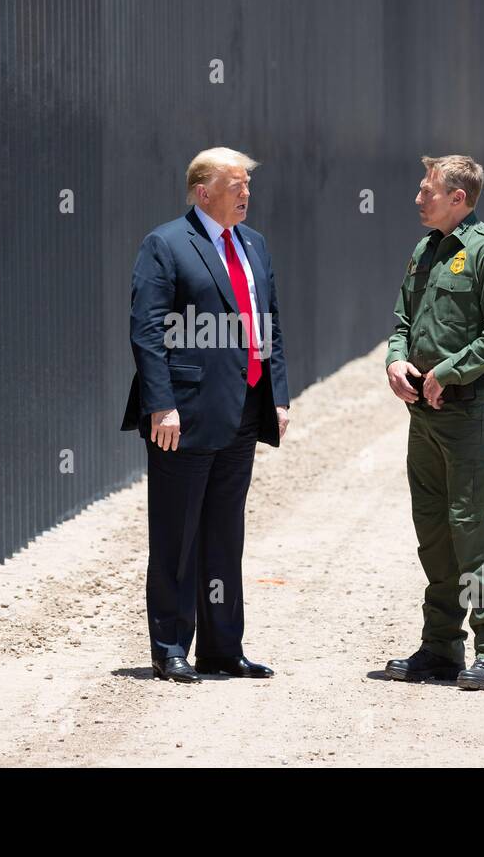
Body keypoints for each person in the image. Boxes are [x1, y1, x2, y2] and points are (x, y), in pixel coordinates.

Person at [120, 147, 290, 683]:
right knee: (177, 535)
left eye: (248, 186)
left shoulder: (254, 245)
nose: (246, 194)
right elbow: (147, 331)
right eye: (235, 185)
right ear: (203, 191)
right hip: (185, 415)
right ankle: (170, 645)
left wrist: (278, 395)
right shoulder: (166, 244)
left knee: (224, 533)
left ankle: (222, 648)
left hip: (242, 411)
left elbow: (270, 325)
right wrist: (161, 404)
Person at [383, 154, 484, 691]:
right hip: (423, 415)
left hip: (465, 413)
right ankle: (440, 647)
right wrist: (397, 359)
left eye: (427, 190)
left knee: (471, 528)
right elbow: (401, 319)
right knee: (434, 531)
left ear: (458, 198)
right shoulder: (427, 250)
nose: (419, 197)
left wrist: (448, 371)